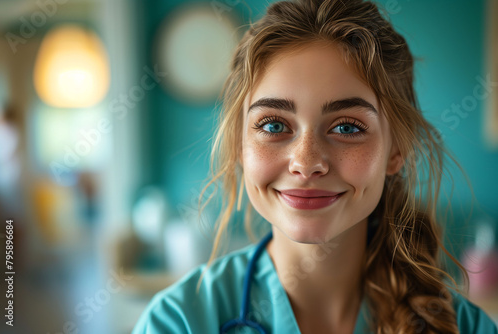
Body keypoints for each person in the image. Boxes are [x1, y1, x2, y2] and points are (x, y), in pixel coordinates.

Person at [133, 0, 498, 332]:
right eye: (274, 126)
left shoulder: (466, 327)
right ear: (239, 147)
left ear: (395, 151)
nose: (306, 163)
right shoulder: (179, 321)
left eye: (347, 127)